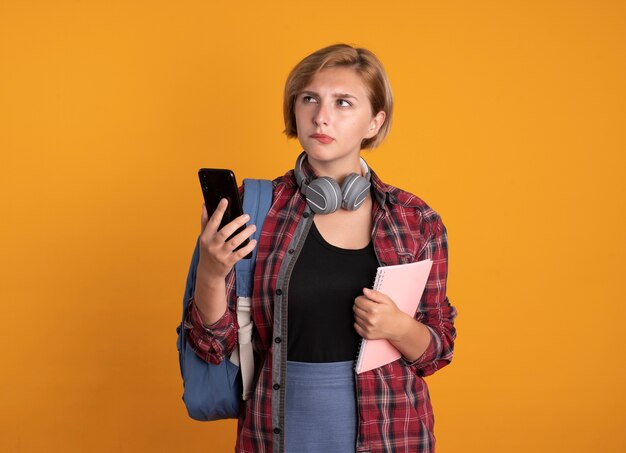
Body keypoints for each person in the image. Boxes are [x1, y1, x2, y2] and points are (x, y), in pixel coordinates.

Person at [184, 44, 457, 453]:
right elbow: (210, 345)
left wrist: (399, 327)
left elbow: (437, 350)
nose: (321, 116)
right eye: (309, 98)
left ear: (374, 122)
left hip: (392, 434)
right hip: (276, 434)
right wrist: (210, 270)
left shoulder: (415, 220)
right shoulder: (258, 207)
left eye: (343, 102)